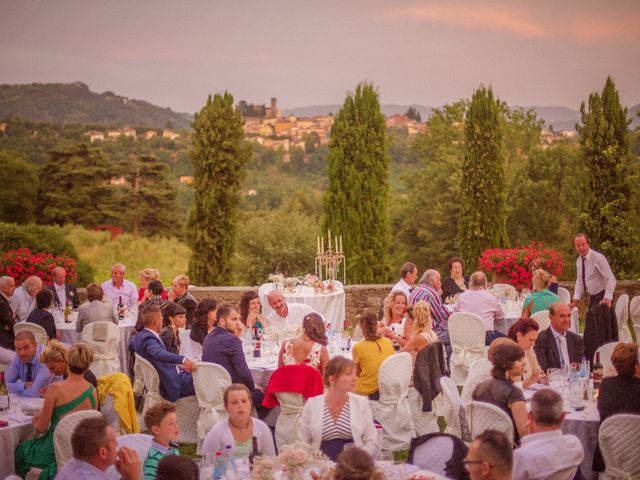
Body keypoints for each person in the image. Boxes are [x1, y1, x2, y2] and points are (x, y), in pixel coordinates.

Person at [15, 343, 98, 480]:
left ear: (67, 361)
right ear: (88, 365)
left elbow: (41, 428)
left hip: (55, 448)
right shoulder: (92, 391)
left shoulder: (55, 389)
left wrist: (35, 419)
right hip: (80, 450)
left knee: (21, 450)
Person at [299, 356, 378, 461]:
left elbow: (372, 440)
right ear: (332, 379)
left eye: (355, 373)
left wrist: (359, 459)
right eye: (349, 374)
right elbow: (303, 442)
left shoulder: (360, 403)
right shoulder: (312, 404)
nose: (355, 378)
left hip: (353, 466)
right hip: (320, 466)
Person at [201, 304, 267, 415]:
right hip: (230, 393)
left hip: (212, 392)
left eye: (238, 319)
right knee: (267, 394)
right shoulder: (231, 340)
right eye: (233, 319)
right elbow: (243, 371)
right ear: (222, 321)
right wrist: (253, 386)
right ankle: (249, 423)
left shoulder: (208, 337)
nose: (238, 323)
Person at [512, 389, 584, 480]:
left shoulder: (522, 456)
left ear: (530, 416)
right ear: (563, 417)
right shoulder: (575, 445)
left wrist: (528, 438)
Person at [129, 305, 196, 402]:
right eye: (161, 319)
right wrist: (183, 359)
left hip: (175, 375)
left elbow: (131, 343)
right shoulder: (148, 339)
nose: (162, 322)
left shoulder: (140, 336)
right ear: (156, 322)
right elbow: (158, 353)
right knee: (204, 379)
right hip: (172, 384)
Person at [593, 342, 640, 472]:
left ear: (614, 364)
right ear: (636, 366)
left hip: (608, 459)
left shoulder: (606, 385)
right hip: (636, 459)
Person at [472, 342, 527, 444]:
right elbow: (524, 433)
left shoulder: (479, 387)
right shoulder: (514, 393)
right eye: (519, 360)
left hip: (483, 444)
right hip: (507, 448)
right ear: (507, 363)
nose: (524, 363)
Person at [202, 384, 276, 459]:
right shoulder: (217, 432)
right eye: (234, 402)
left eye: (244, 401)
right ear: (226, 407)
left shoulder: (262, 428)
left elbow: (270, 461)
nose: (240, 405)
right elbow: (208, 464)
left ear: (250, 404)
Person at [56, 416, 142, 480]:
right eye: (115, 444)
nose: (118, 448)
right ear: (103, 453)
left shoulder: (72, 466)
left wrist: (125, 477)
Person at [454, 271, 506, 346]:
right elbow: (501, 318)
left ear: (471, 282)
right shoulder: (491, 298)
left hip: (465, 338)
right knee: (507, 341)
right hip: (485, 338)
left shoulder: (461, 297)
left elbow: (456, 316)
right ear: (485, 283)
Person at [352, 311, 394, 399]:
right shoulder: (387, 342)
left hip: (367, 390)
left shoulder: (358, 347)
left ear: (360, 326)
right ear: (376, 324)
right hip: (387, 388)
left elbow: (357, 373)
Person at [570, 233, 616, 310]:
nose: (581, 248)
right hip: (593, 298)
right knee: (591, 320)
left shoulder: (598, 258)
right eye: (578, 245)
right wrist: (575, 301)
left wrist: (608, 297)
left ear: (588, 243)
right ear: (575, 247)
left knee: (593, 320)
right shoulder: (578, 261)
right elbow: (580, 281)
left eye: (583, 244)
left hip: (603, 296)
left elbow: (611, 278)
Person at [409, 269, 451, 352]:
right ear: (433, 280)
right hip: (427, 331)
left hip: (414, 329)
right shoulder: (431, 292)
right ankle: (445, 363)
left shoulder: (416, 290)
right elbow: (442, 316)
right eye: (439, 279)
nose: (440, 282)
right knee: (454, 336)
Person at [533, 302, 584, 371]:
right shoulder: (541, 339)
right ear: (551, 317)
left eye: (569, 316)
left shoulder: (576, 339)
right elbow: (543, 369)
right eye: (562, 316)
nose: (566, 320)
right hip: (553, 380)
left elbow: (581, 366)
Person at [6, 330, 52, 397]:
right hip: (26, 404)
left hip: (50, 403)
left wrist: (15, 390)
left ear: (35, 346)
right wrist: (24, 385)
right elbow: (5, 386)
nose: (22, 353)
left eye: (26, 348)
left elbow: (35, 393)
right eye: (18, 349)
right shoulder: (18, 357)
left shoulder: (45, 358)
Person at [142, 401, 180, 480]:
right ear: (156, 430)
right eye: (171, 424)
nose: (176, 426)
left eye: (177, 422)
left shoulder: (174, 449)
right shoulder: (153, 459)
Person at [507, 318, 544, 388]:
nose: (533, 344)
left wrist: (541, 377)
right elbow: (509, 387)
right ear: (519, 336)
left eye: (535, 340)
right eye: (531, 340)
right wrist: (531, 381)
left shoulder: (529, 351)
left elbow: (537, 372)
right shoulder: (507, 354)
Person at [0, 275, 16, 350]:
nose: (14, 288)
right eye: (11, 286)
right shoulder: (2, 302)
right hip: (4, 340)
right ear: (2, 287)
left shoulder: (3, 299)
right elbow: (11, 322)